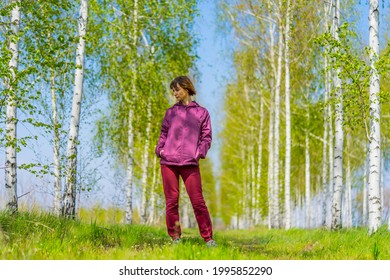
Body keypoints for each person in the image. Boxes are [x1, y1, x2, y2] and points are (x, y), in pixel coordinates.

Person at [155, 76, 217, 247]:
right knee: (171, 201)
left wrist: (199, 153)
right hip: (168, 162)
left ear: (186, 88)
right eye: (173, 90)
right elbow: (164, 133)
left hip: (190, 162)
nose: (174, 93)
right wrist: (160, 150)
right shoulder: (171, 112)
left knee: (198, 202)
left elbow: (207, 137)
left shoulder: (201, 112)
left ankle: (208, 239)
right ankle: (175, 238)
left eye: (177, 89)